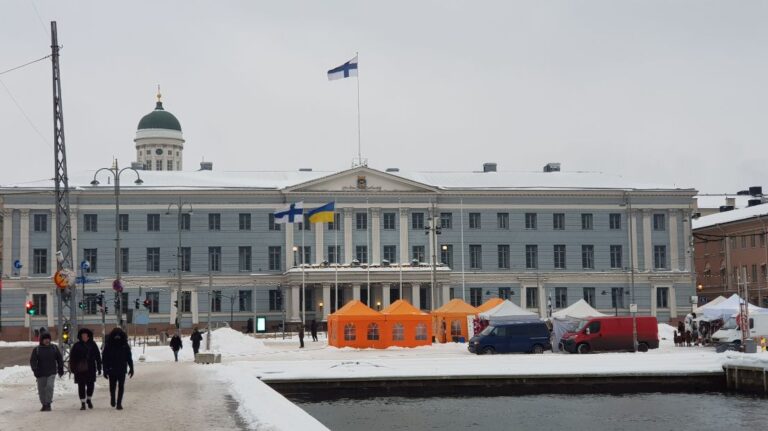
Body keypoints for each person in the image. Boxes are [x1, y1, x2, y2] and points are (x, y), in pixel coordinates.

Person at [29, 332, 64, 411]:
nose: (47, 341)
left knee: (49, 387)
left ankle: (48, 403)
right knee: (41, 390)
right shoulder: (37, 349)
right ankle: (44, 404)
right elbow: (33, 361)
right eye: (45, 339)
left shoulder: (54, 348)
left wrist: (60, 369)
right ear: (41, 340)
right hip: (40, 373)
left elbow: (59, 359)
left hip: (51, 372)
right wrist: (35, 370)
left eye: (48, 339)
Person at [69, 327, 102, 410]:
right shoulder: (77, 345)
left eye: (85, 335)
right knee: (81, 386)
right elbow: (72, 357)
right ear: (80, 336)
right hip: (80, 369)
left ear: (88, 336)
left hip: (91, 368)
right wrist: (72, 367)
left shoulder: (93, 344)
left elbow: (98, 356)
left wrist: (99, 367)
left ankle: (89, 399)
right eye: (82, 335)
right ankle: (83, 402)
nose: (84, 336)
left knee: (91, 385)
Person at [102, 328, 134, 410]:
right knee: (112, 386)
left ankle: (119, 403)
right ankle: (113, 398)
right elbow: (104, 358)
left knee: (121, 386)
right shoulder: (108, 345)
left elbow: (129, 357)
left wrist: (131, 368)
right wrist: (105, 369)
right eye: (115, 335)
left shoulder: (125, 345)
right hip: (111, 368)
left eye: (118, 335)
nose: (117, 337)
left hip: (122, 368)